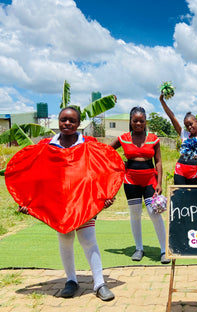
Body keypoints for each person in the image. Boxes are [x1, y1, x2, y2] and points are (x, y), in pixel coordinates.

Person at [19, 106, 115, 301]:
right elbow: (32, 172)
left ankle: (99, 283)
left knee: (88, 240)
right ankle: (71, 281)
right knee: (65, 239)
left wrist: (106, 194)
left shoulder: (89, 144)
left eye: (72, 120)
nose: (67, 124)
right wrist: (27, 201)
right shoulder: (47, 145)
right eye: (64, 120)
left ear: (79, 124)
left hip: (84, 200)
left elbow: (104, 167)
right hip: (59, 202)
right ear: (58, 121)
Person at [109, 107, 170, 264]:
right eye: (135, 120)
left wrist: (159, 183)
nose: (138, 123)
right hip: (131, 181)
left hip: (150, 180)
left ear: (145, 121)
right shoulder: (123, 138)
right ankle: (139, 248)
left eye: (141, 121)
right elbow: (107, 151)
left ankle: (164, 250)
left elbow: (158, 162)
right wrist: (118, 163)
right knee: (135, 214)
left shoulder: (153, 139)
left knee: (154, 213)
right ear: (130, 121)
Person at [159, 93, 197, 185]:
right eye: (186, 126)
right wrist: (162, 101)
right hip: (180, 169)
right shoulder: (184, 134)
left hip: (194, 170)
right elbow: (172, 117)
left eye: (191, 124)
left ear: (196, 122)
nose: (189, 127)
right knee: (179, 196)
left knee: (193, 197)